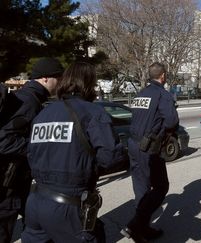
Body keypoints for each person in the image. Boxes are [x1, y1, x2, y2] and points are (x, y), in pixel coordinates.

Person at [21, 62, 128, 242]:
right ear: (88, 83)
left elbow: (31, 153)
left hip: (34, 202)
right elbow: (111, 158)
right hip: (67, 206)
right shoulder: (92, 112)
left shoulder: (43, 114)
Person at [0, 57, 63, 242]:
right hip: (8, 183)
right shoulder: (28, 101)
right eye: (58, 78)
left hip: (18, 180)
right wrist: (37, 148)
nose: (60, 84)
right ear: (45, 78)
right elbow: (4, 140)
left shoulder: (32, 98)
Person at [121, 62, 179, 242]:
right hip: (149, 148)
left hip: (133, 144)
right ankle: (136, 225)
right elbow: (171, 121)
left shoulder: (141, 93)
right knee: (161, 186)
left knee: (141, 187)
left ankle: (142, 229)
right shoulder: (163, 94)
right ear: (163, 76)